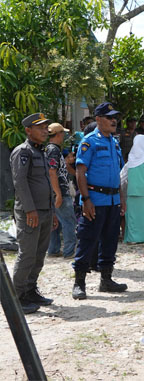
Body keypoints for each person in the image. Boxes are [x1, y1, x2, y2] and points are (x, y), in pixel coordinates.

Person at [72, 102, 128, 300]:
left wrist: (121, 198)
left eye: (115, 117)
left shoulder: (113, 142)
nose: (114, 121)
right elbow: (80, 172)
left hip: (113, 200)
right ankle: (79, 282)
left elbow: (117, 173)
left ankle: (106, 280)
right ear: (98, 119)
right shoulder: (89, 142)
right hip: (95, 200)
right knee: (87, 240)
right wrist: (85, 199)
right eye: (109, 117)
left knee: (111, 240)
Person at [10, 112, 57, 314]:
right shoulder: (23, 152)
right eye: (40, 127)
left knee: (39, 255)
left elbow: (45, 183)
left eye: (46, 127)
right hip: (30, 212)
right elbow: (20, 183)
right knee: (27, 255)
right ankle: (16, 298)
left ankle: (30, 290)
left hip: (45, 211)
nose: (45, 130)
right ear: (28, 131)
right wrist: (30, 209)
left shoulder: (41, 152)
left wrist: (53, 212)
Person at [46, 123, 77, 259]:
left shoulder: (50, 149)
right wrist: (58, 193)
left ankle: (53, 249)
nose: (64, 136)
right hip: (60, 192)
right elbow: (52, 171)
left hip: (54, 191)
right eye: (63, 133)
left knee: (56, 222)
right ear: (58, 134)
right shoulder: (53, 150)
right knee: (69, 221)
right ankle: (69, 251)